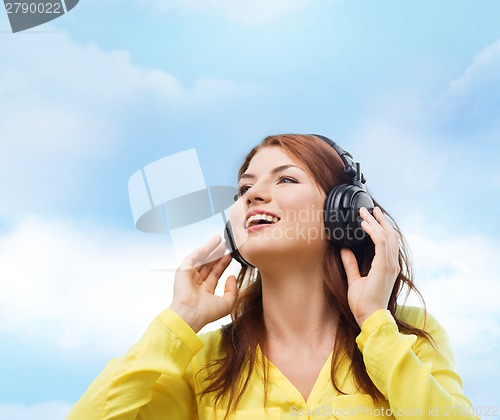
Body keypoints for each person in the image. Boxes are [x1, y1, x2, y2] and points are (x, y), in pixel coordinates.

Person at [68, 134, 478, 419]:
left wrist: (375, 324)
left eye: (285, 179)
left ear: (343, 213)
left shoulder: (410, 333)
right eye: (244, 188)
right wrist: (180, 319)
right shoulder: (204, 360)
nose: (253, 194)